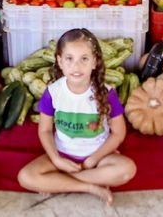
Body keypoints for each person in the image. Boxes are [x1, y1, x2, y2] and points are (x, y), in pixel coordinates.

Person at [17, 28, 136, 206]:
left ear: (95, 62)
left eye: (84, 59)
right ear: (60, 61)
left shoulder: (106, 92)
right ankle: (89, 187)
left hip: (98, 157)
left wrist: (94, 159)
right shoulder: (52, 92)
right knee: (25, 177)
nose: (76, 66)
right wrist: (57, 159)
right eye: (69, 59)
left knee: (127, 169)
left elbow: (118, 133)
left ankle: (62, 182)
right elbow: (45, 130)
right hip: (62, 155)